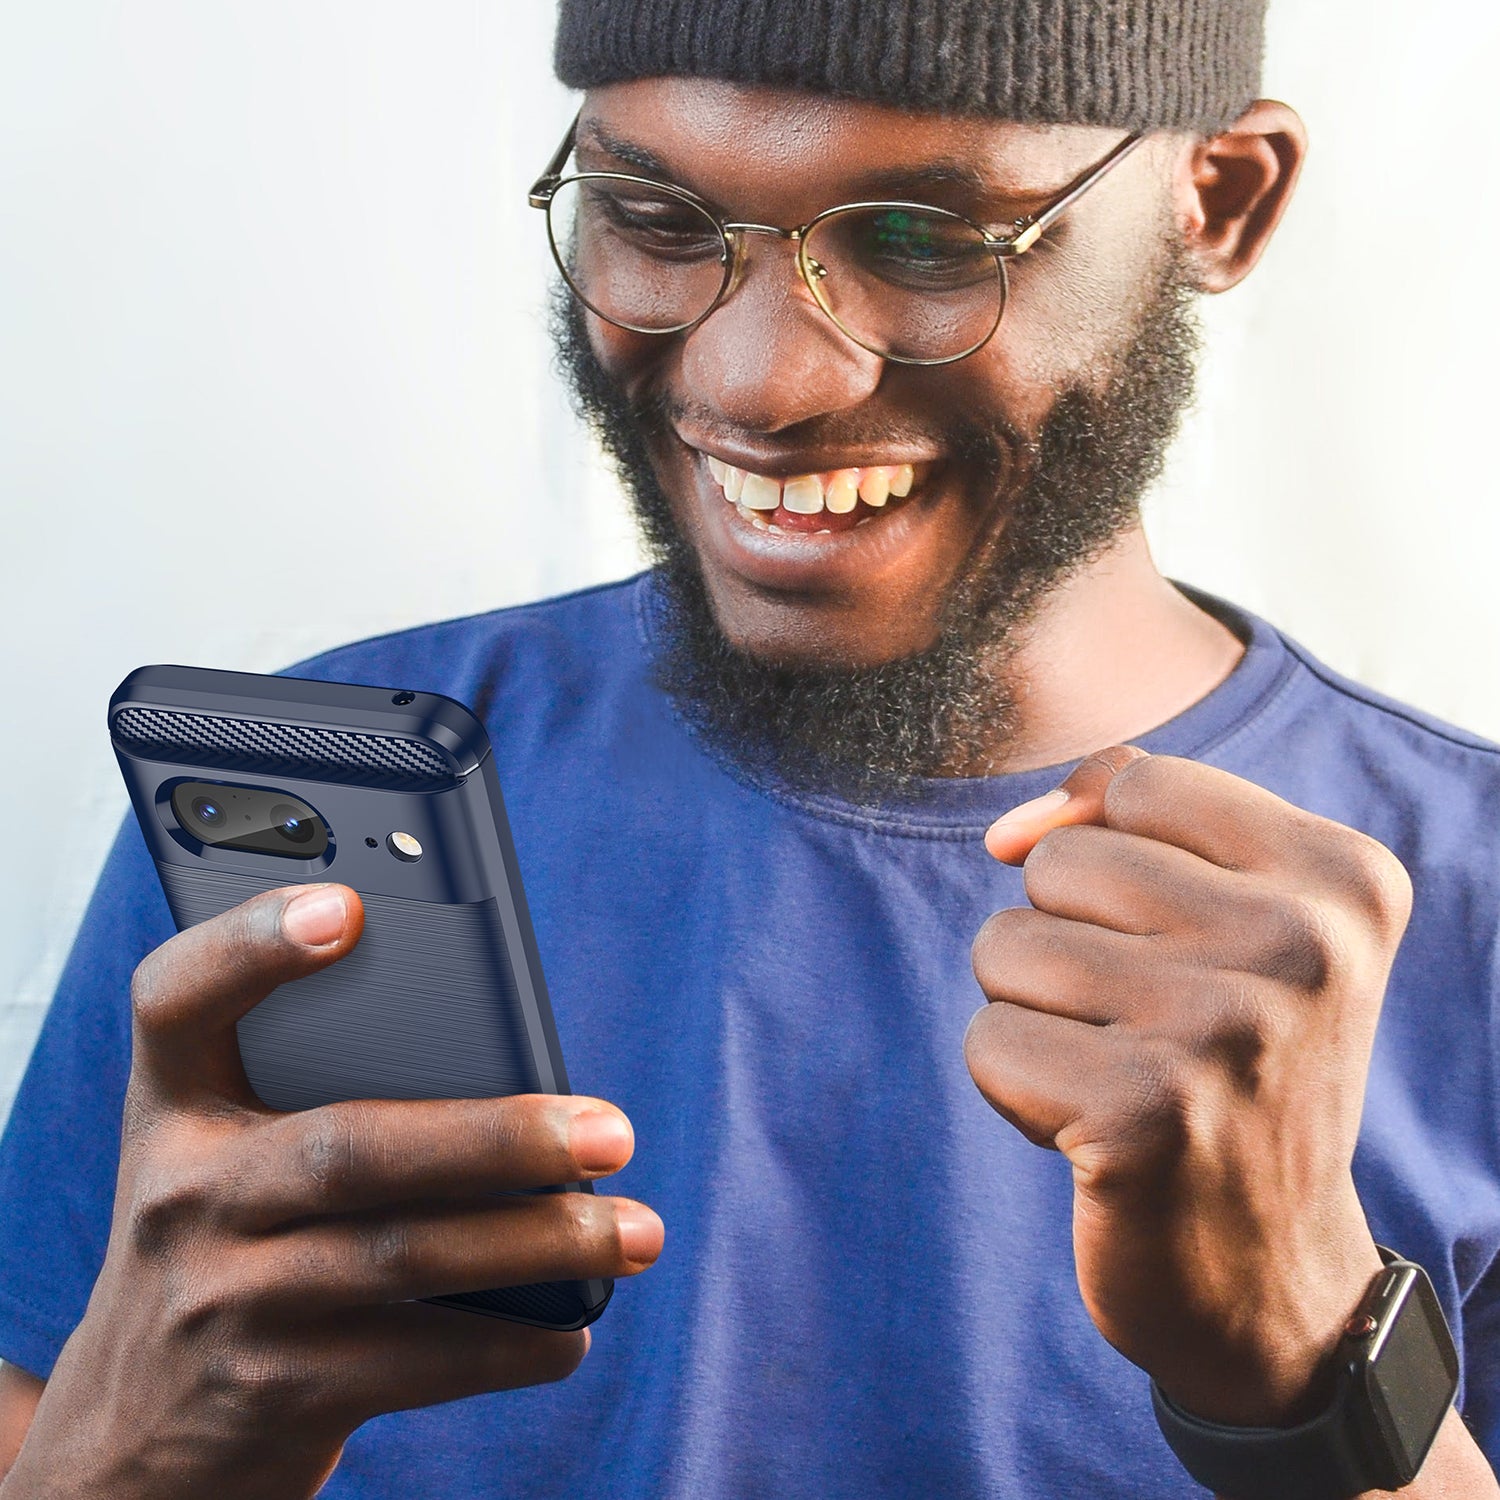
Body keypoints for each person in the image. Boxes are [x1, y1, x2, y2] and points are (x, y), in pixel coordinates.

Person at [1, 0, 1497, 1495]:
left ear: (1218, 200)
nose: (761, 384)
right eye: (656, 220)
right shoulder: (318, 803)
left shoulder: (1466, 896)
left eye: (925, 240)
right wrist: (126, 1449)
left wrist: (1310, 1357)